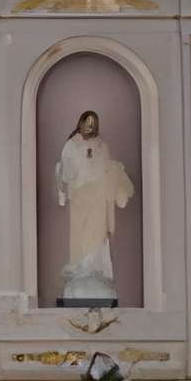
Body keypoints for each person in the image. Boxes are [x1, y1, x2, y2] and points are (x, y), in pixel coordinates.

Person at [55, 107, 135, 303]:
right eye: (87, 122)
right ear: (80, 123)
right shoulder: (71, 144)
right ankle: (81, 273)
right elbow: (66, 171)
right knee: (81, 234)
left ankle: (96, 271)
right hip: (81, 194)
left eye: (93, 123)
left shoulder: (102, 145)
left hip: (98, 194)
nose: (90, 126)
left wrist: (111, 170)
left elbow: (105, 168)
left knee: (97, 232)